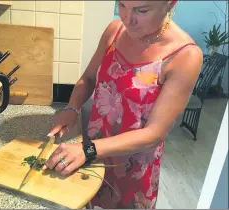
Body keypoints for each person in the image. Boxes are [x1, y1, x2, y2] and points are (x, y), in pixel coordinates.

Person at [43, 0, 203, 208]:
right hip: (91, 155)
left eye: (141, 10)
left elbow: (154, 133)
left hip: (132, 168)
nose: (127, 19)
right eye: (122, 5)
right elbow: (89, 78)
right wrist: (71, 107)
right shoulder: (115, 31)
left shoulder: (185, 56)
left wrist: (88, 149)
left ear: (170, 3)